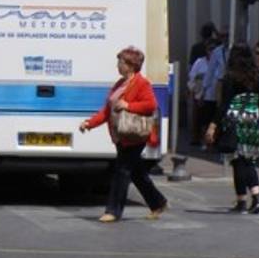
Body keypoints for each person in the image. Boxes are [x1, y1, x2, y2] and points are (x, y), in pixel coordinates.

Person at [79, 46, 168, 223]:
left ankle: (113, 210)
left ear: (131, 65)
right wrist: (90, 123)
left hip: (134, 135)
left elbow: (150, 105)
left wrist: (128, 105)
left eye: (121, 62)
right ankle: (158, 202)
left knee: (122, 171)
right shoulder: (119, 84)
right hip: (121, 135)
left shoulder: (142, 83)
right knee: (136, 173)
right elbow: (107, 110)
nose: (118, 65)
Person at [204, 45, 259, 214]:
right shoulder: (258, 76)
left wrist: (213, 125)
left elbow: (224, 104)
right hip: (252, 120)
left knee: (237, 161)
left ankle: (242, 201)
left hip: (235, 120)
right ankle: (257, 197)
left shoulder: (231, 77)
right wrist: (257, 117)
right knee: (249, 159)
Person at [188, 39, 217, 148]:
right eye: (210, 49)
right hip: (201, 95)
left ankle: (210, 142)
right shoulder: (200, 62)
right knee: (199, 119)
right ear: (206, 51)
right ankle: (198, 139)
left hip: (214, 96)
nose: (212, 51)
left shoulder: (219, 62)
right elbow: (192, 77)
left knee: (211, 120)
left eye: (214, 49)